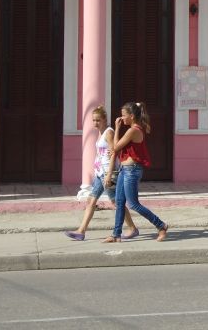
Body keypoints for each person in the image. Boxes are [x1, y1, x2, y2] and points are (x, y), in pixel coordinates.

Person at [64, 105, 138, 241]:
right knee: (91, 200)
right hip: (100, 173)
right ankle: (81, 231)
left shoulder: (109, 132)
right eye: (93, 120)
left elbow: (113, 153)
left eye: (98, 120)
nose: (95, 123)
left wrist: (109, 174)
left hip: (107, 173)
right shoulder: (101, 132)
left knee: (116, 202)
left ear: (104, 120)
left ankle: (132, 228)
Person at [103, 102, 169, 243]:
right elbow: (118, 148)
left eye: (124, 115)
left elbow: (115, 147)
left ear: (132, 116)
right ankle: (116, 235)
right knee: (120, 202)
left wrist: (117, 127)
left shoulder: (133, 130)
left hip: (131, 171)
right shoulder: (133, 129)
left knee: (133, 204)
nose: (121, 118)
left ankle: (161, 225)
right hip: (124, 169)